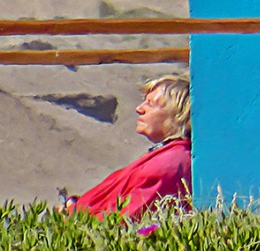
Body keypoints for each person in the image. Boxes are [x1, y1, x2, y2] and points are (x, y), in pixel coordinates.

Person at [64, 74, 192, 221]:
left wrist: (71, 216)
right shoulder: (166, 156)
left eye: (150, 103)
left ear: (177, 114)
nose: (139, 109)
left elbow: (122, 221)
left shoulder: (167, 165)